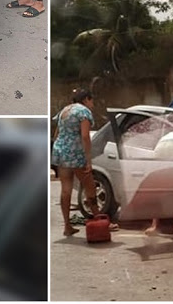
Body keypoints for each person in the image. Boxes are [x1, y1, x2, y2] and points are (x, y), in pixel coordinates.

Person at [52, 88, 119, 236]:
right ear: (86, 100)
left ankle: (67, 226)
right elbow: (85, 137)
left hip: (60, 152)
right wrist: (88, 159)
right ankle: (99, 220)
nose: (93, 103)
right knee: (89, 186)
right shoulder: (84, 112)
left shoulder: (65, 110)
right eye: (91, 100)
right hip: (75, 154)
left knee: (65, 189)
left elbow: (57, 134)